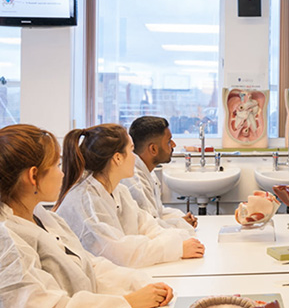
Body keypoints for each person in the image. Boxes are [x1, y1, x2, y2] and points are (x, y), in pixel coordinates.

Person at [0, 124, 174, 307]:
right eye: (57, 166)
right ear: (33, 176)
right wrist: (128, 302)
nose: (63, 173)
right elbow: (45, 304)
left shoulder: (44, 219)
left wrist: (138, 283)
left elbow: (87, 265)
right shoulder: (7, 242)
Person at [55, 124, 205, 268]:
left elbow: (146, 225)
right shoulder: (86, 201)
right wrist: (176, 248)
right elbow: (118, 253)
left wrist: (180, 240)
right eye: (132, 150)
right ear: (118, 158)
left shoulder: (119, 191)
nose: (135, 158)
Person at [122, 116, 197, 233]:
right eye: (168, 141)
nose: (173, 145)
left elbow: (157, 212)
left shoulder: (147, 172)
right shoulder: (134, 180)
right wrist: (180, 224)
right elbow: (148, 228)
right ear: (153, 149)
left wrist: (180, 219)